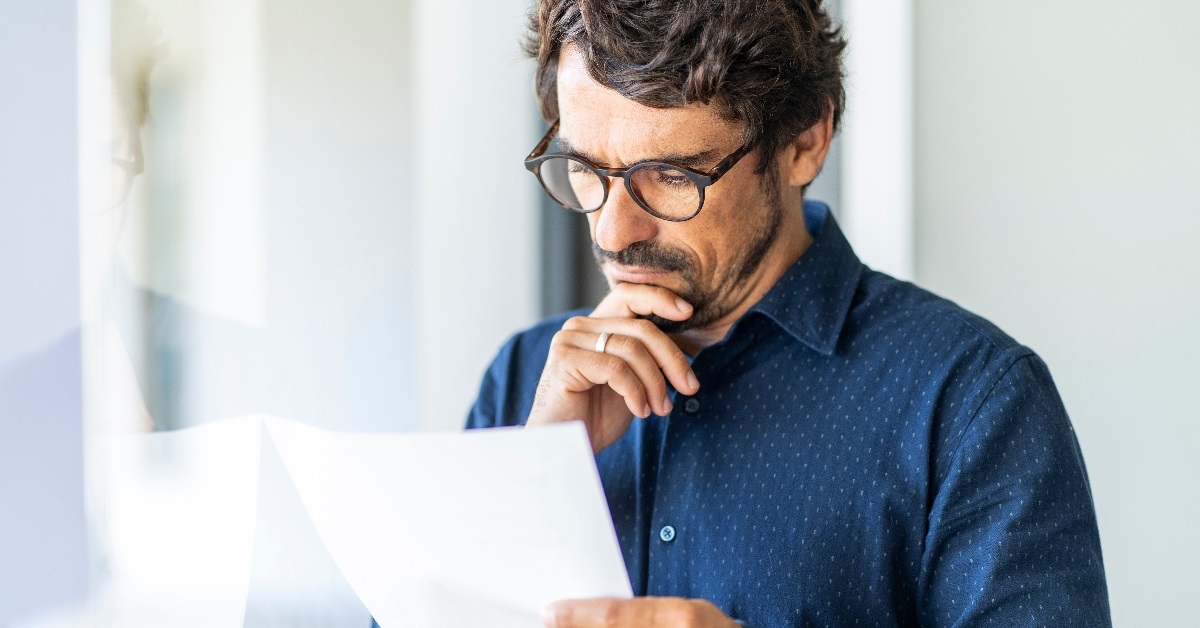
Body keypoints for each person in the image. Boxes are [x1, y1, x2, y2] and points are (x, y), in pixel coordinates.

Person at [468, 1, 1112, 626]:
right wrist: (534, 475)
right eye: (584, 167)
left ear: (805, 140)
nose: (612, 230)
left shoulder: (972, 401)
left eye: (670, 175)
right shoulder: (525, 378)